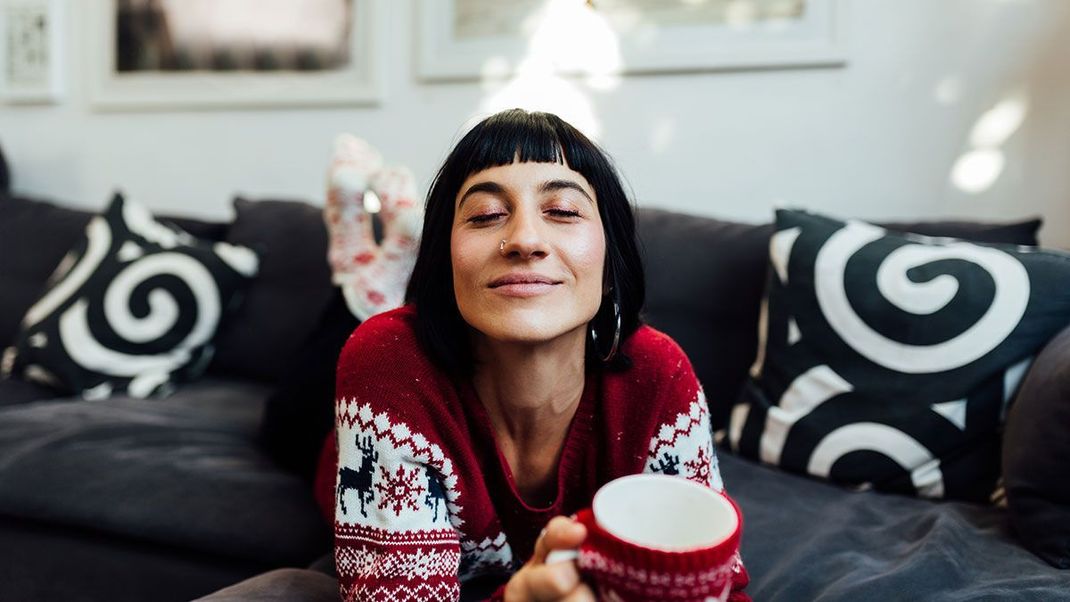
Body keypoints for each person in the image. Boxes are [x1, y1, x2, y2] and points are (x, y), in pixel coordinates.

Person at [314, 109, 749, 601]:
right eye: (484, 215)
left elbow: (718, 584)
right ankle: (365, 271)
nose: (523, 240)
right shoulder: (388, 360)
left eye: (563, 211)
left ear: (610, 268)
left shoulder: (659, 373)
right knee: (300, 399)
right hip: (332, 434)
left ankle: (376, 271)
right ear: (446, 263)